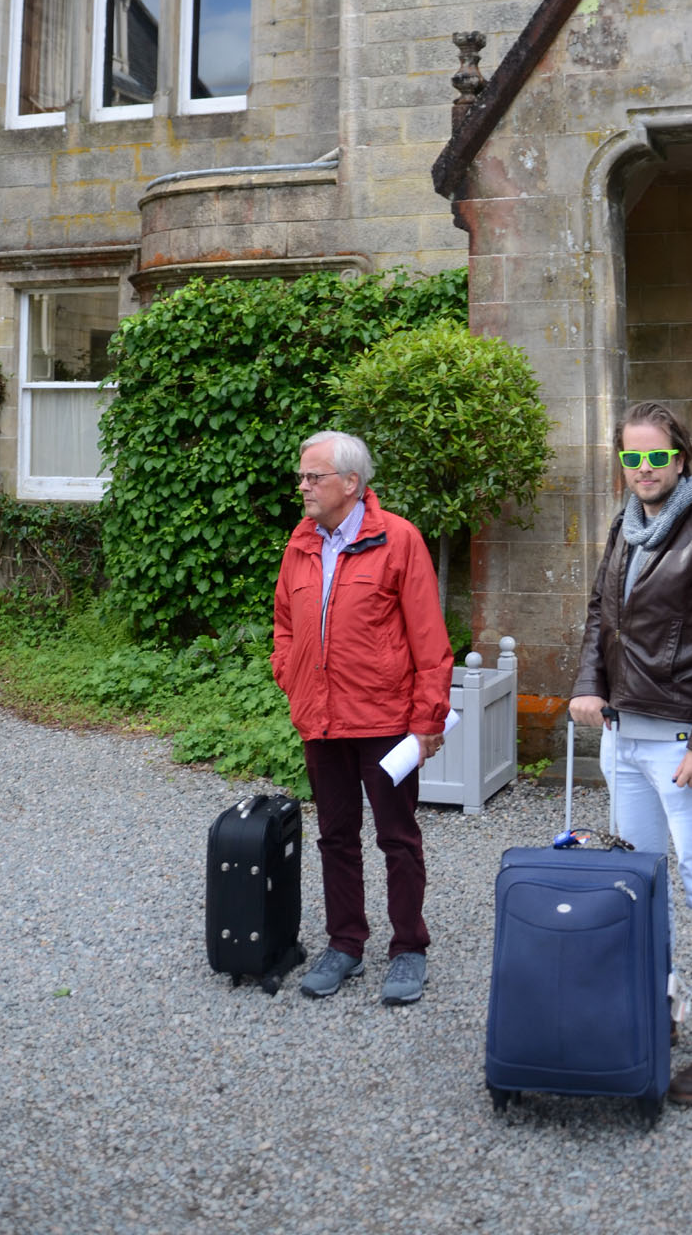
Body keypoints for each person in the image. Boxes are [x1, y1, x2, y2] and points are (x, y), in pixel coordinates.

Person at [570, 401, 692, 1105]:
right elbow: (599, 616)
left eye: (656, 457)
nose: (643, 470)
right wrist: (589, 686)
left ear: (681, 457)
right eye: (631, 458)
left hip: (680, 742)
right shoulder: (624, 526)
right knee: (638, 885)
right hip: (623, 739)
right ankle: (655, 1007)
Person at [271, 429, 453, 1006]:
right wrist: (290, 673)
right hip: (321, 718)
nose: (302, 487)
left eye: (313, 476)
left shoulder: (398, 540)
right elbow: (284, 623)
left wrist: (428, 720)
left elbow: (429, 638)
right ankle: (345, 943)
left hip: (384, 720)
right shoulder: (301, 543)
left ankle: (408, 950)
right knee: (334, 836)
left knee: (398, 838)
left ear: (351, 483)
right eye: (302, 476)